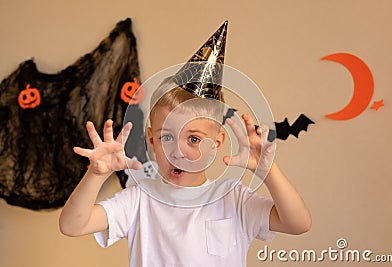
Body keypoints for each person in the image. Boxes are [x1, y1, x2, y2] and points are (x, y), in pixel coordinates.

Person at [59, 21, 311, 267]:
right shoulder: (139, 200)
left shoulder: (233, 198)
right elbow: (72, 225)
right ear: (151, 140)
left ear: (217, 143)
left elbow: (298, 223)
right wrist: (95, 174)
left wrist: (268, 172)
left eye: (193, 139)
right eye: (166, 137)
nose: (177, 152)